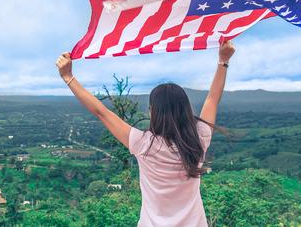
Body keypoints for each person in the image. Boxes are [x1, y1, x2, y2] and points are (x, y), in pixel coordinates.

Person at [55, 40, 235, 227]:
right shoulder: (199, 139)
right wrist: (223, 61)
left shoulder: (144, 144)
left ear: (153, 112)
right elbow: (212, 100)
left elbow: (102, 112)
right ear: (185, 110)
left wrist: (68, 76)